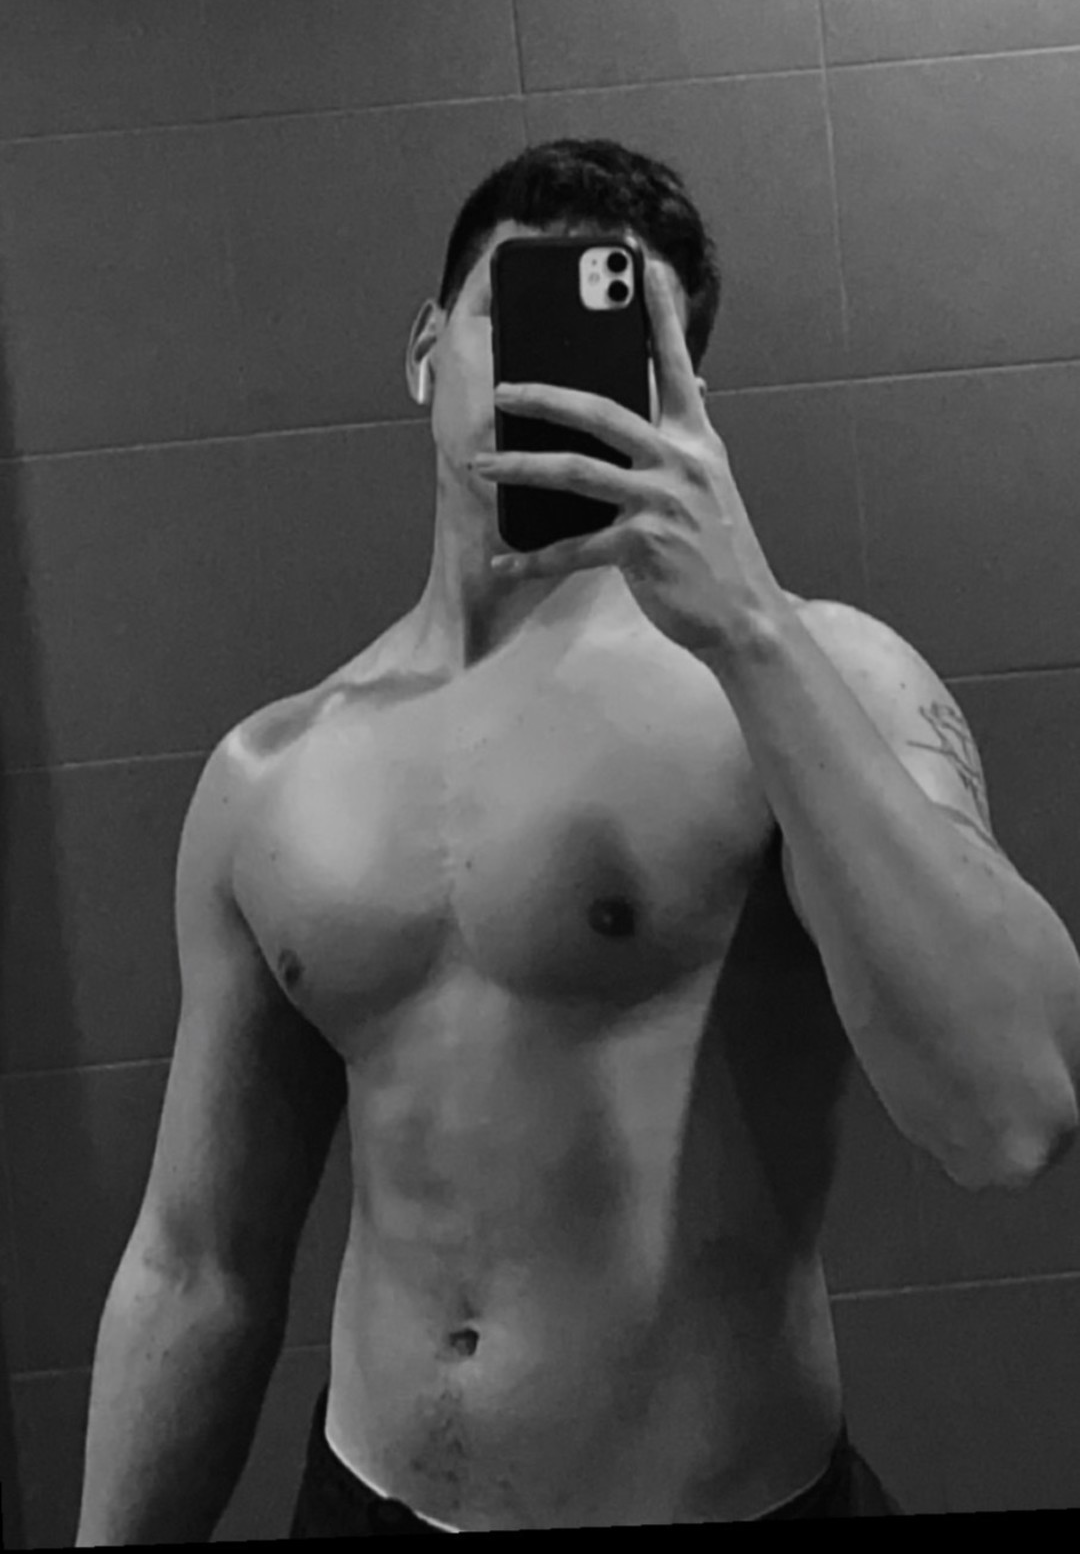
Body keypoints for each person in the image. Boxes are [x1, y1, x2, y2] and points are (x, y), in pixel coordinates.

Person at [90, 132, 1080, 1535]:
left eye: (617, 349)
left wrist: (746, 624)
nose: (549, 376)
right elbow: (198, 1267)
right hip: (364, 1501)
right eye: (512, 316)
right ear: (425, 350)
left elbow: (1016, 1110)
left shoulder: (819, 682)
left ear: (682, 400)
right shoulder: (273, 773)